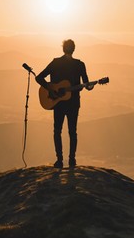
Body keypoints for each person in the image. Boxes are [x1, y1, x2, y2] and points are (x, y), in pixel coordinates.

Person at [36, 38, 95, 169]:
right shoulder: (80, 65)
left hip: (58, 104)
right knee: (72, 132)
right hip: (72, 103)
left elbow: (39, 77)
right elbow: (86, 84)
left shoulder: (56, 63)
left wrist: (49, 88)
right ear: (74, 49)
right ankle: (72, 160)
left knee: (57, 131)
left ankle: (59, 160)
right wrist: (90, 86)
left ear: (63, 48)